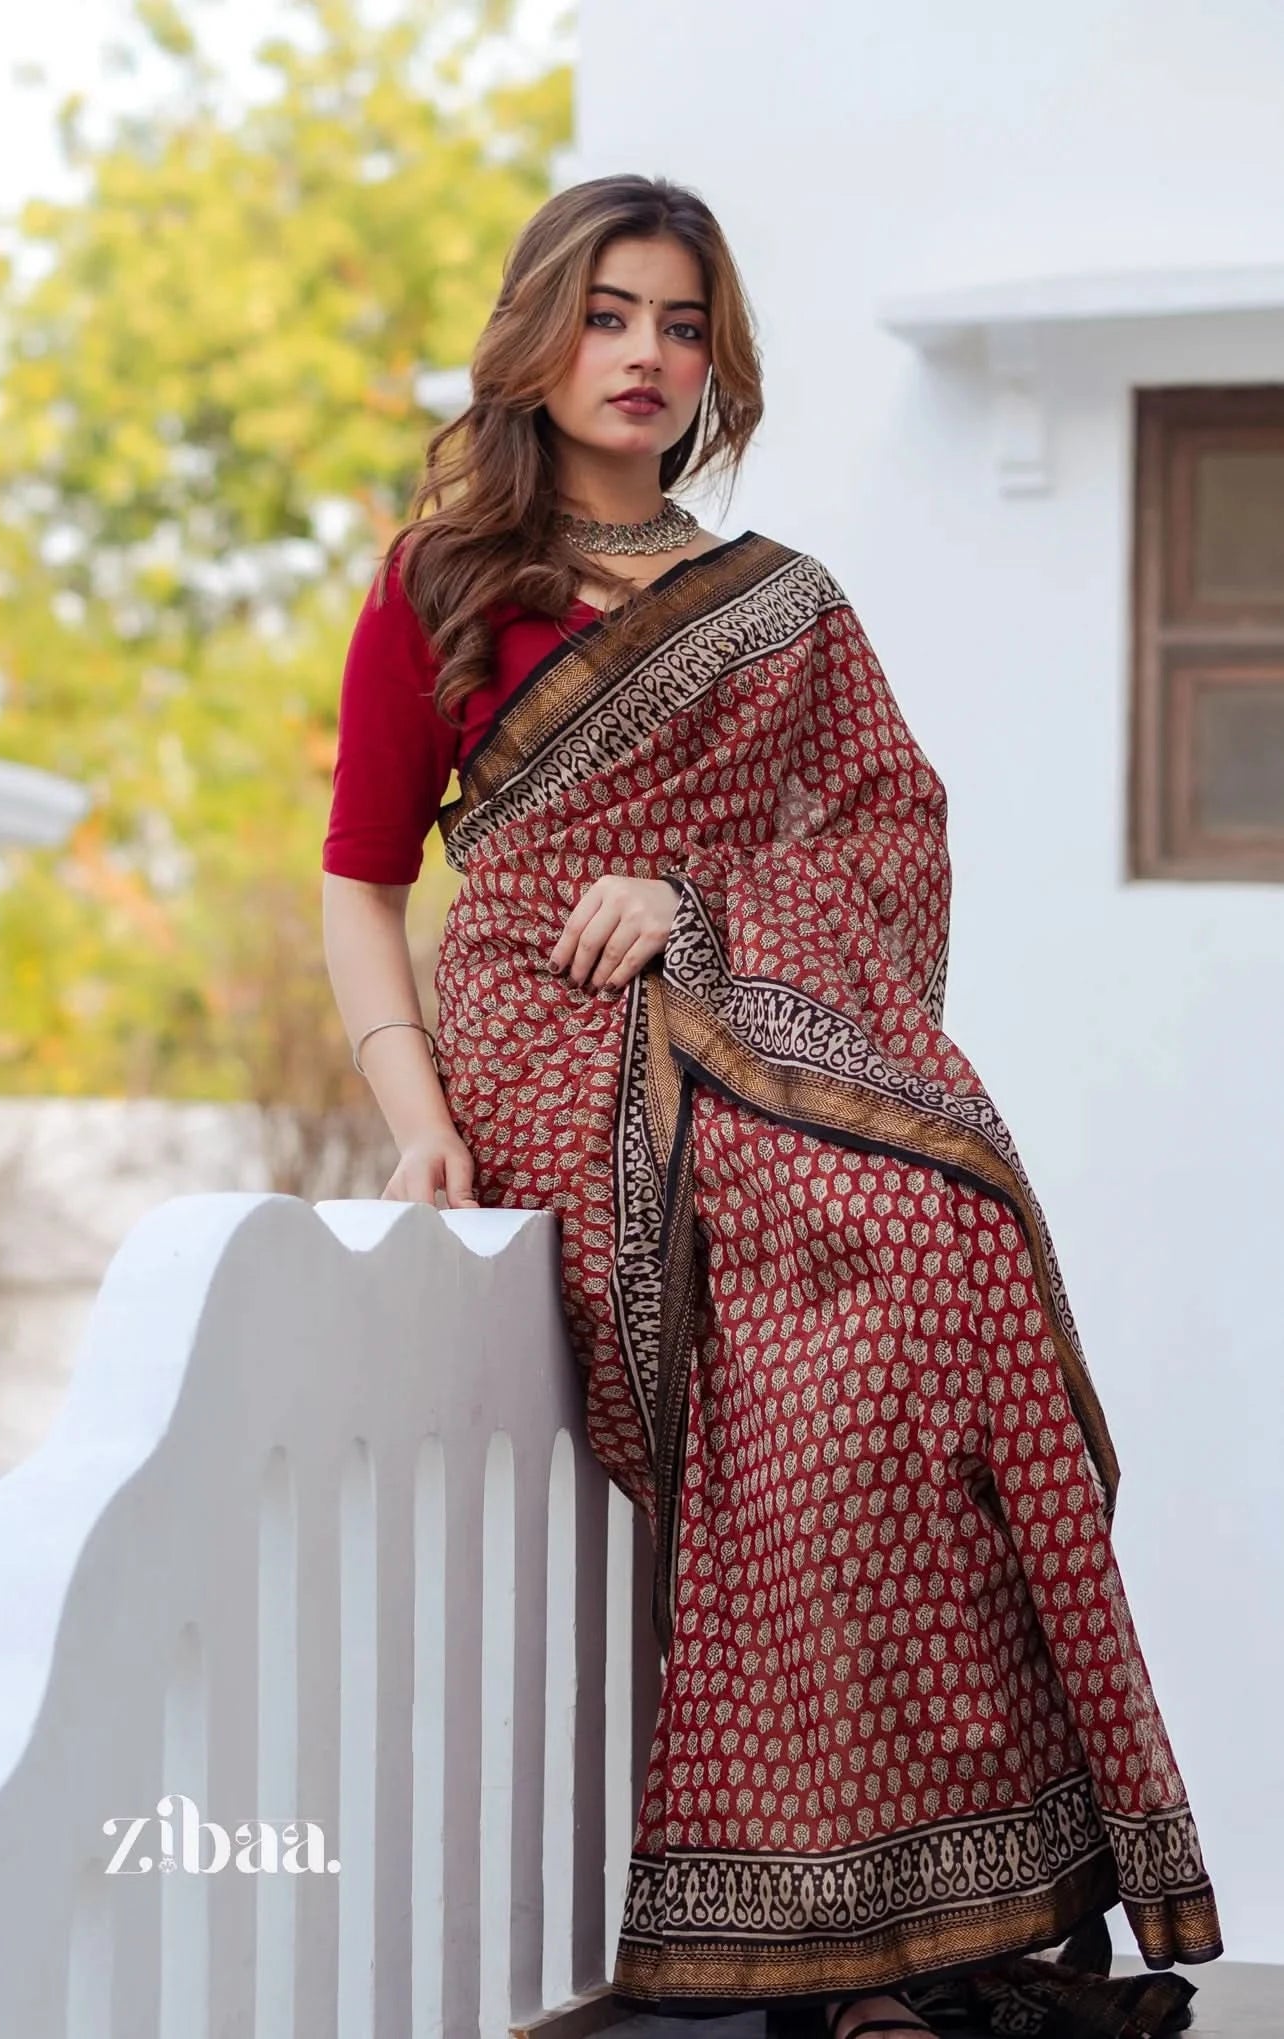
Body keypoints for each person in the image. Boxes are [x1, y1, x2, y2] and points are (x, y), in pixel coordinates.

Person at [321, 173, 1221, 2039]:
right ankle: (857, 1934)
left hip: (747, 995)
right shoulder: (436, 585)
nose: (645, 355)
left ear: (714, 356)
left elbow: (901, 829)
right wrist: (416, 1112)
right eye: (609, 314)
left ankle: (906, 1926)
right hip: (546, 1015)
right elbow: (360, 883)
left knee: (933, 1255)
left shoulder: (787, 608)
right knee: (827, 1274)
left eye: (679, 321)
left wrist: (709, 905)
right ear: (537, 334)